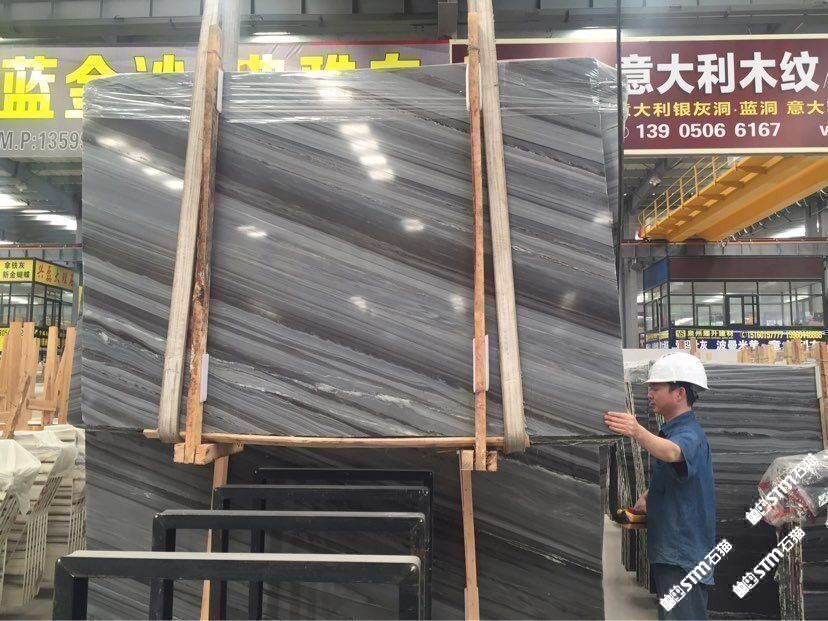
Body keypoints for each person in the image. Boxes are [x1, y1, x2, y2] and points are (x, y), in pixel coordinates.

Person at [605, 351, 715, 621]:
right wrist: (648, 497)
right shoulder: (672, 431)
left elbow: (673, 453)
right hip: (672, 551)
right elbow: (675, 474)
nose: (649, 394)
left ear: (679, 393)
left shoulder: (689, 435)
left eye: (656, 388)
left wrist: (636, 430)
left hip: (683, 555)